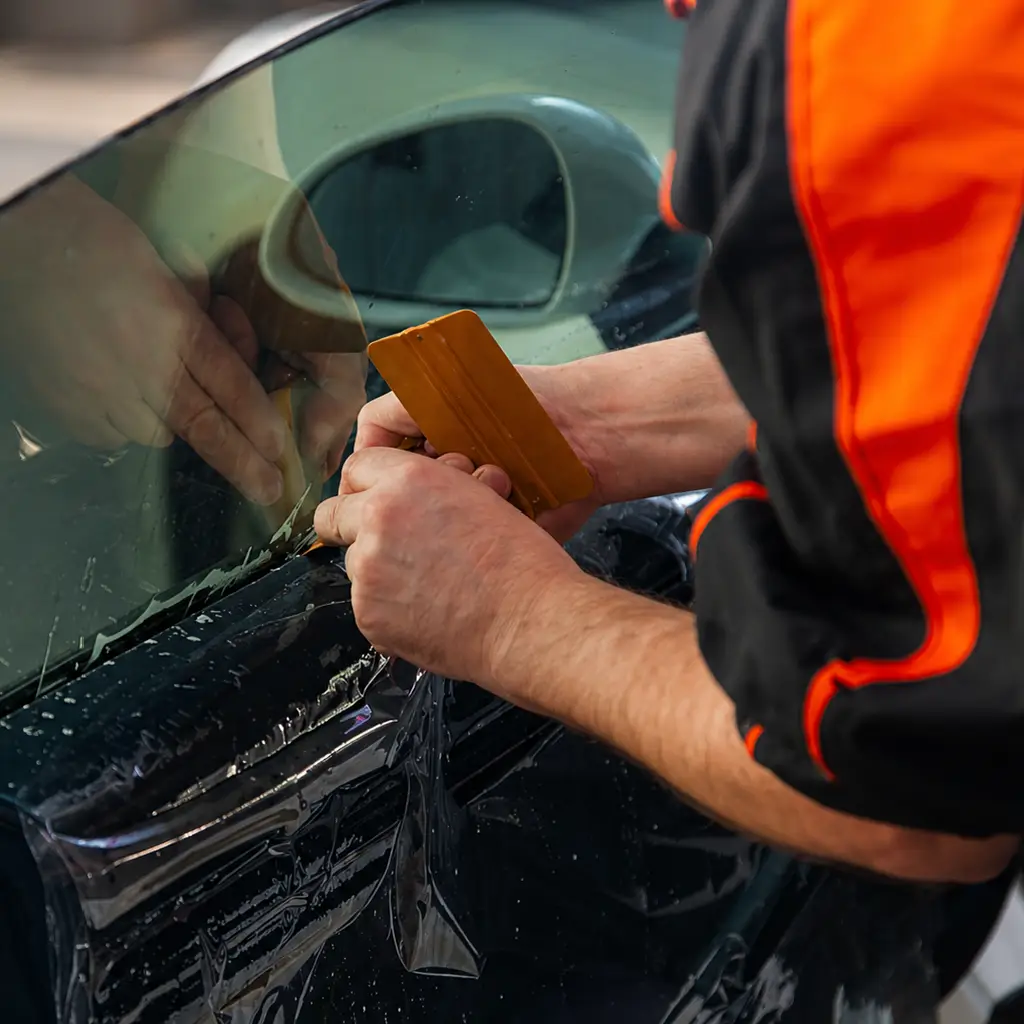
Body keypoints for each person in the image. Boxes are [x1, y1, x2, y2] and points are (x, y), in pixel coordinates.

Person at [312, 0, 1024, 884]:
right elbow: (964, 341)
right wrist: (589, 426)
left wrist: (512, 615)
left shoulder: (854, 51)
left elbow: (911, 783)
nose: (675, 187)